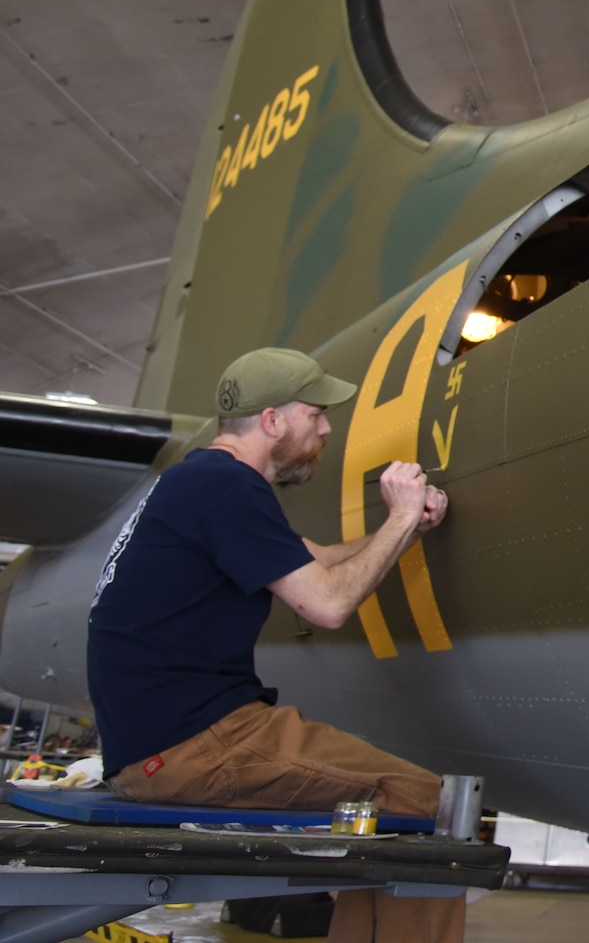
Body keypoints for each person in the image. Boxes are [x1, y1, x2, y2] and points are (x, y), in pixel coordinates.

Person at [87, 347, 459, 943]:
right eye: (316, 414)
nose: (326, 428)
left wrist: (405, 528)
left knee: (395, 811)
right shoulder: (227, 486)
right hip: (196, 746)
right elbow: (329, 604)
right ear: (272, 421)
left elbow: (313, 561)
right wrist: (397, 516)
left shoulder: (198, 481)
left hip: (159, 745)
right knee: (425, 802)